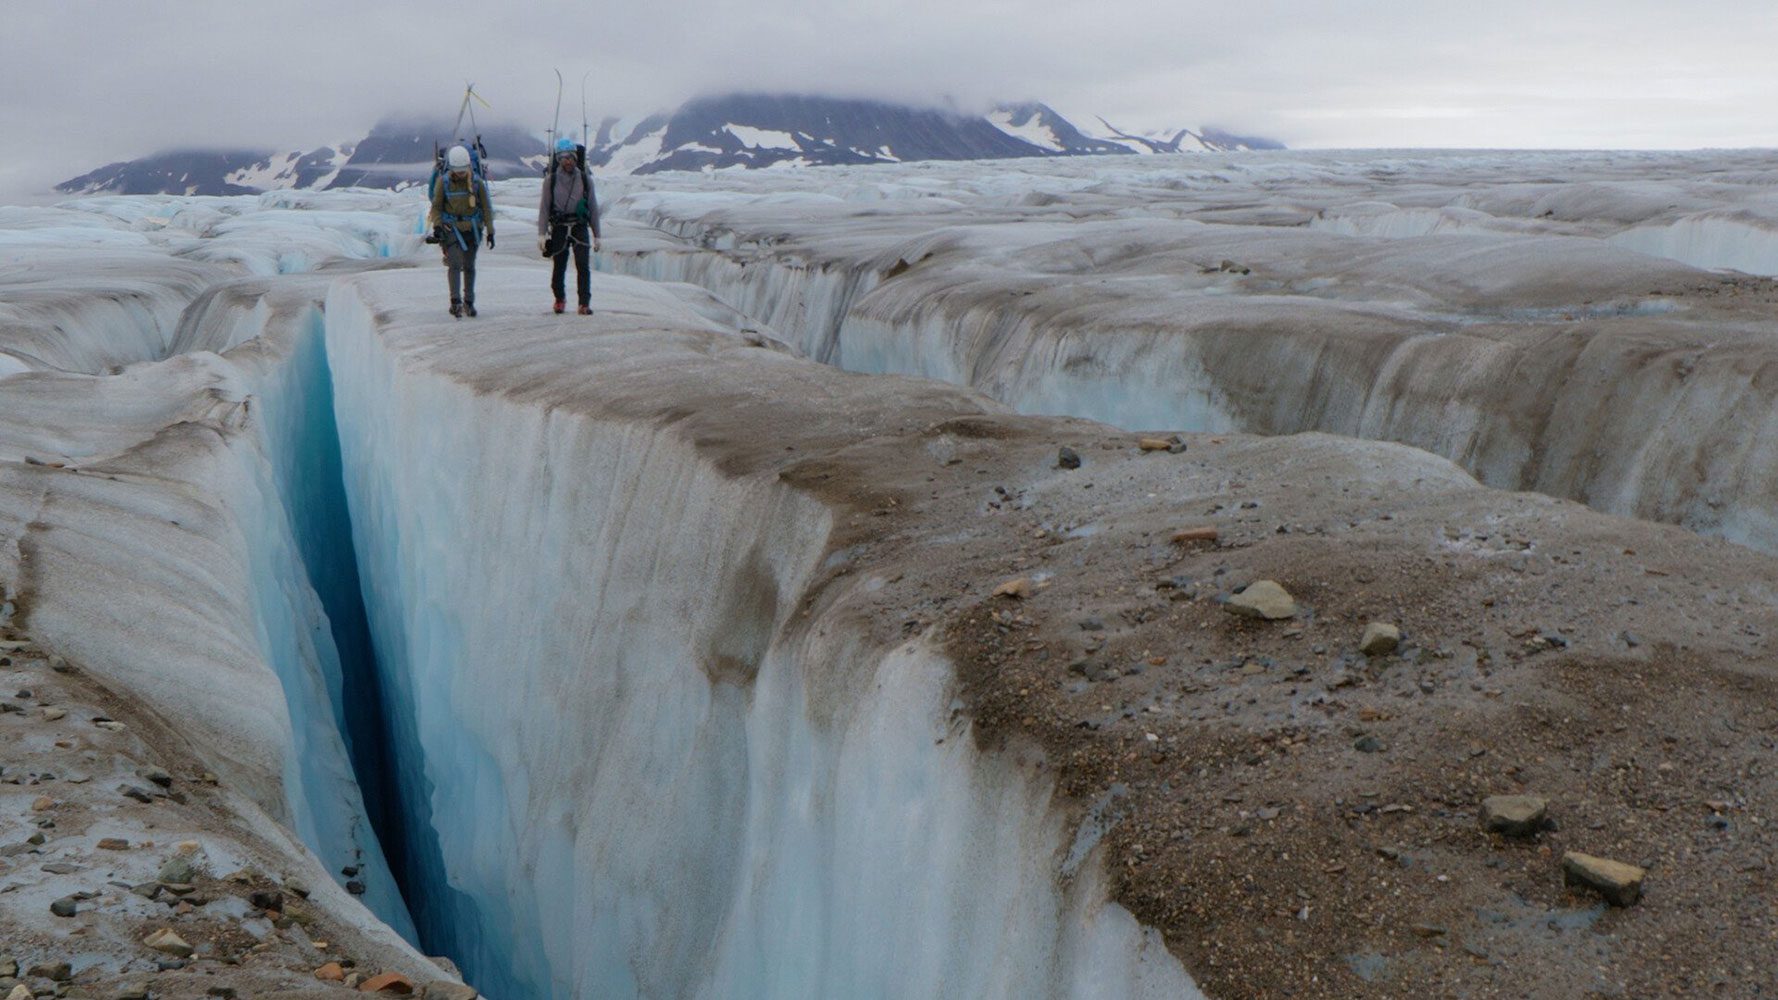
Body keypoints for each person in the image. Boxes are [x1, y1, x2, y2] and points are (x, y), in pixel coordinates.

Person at [537, 137, 601, 315]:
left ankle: (584, 303)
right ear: (558, 159)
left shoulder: (585, 179)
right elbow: (544, 208)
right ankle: (559, 299)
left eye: (571, 157)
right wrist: (541, 233)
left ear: (575, 158)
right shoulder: (551, 181)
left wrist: (597, 235)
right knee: (559, 266)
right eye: (564, 157)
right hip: (560, 227)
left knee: (583, 266)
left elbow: (593, 208)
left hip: (579, 226)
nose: (568, 161)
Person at [428, 145, 494, 318]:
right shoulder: (444, 182)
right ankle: (456, 301)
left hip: (472, 229)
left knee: (469, 266)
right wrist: (437, 225)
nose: (461, 173)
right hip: (452, 229)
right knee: (455, 264)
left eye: (463, 170)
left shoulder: (477, 183)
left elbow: (487, 208)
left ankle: (469, 302)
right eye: (458, 170)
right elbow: (436, 207)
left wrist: (491, 231)